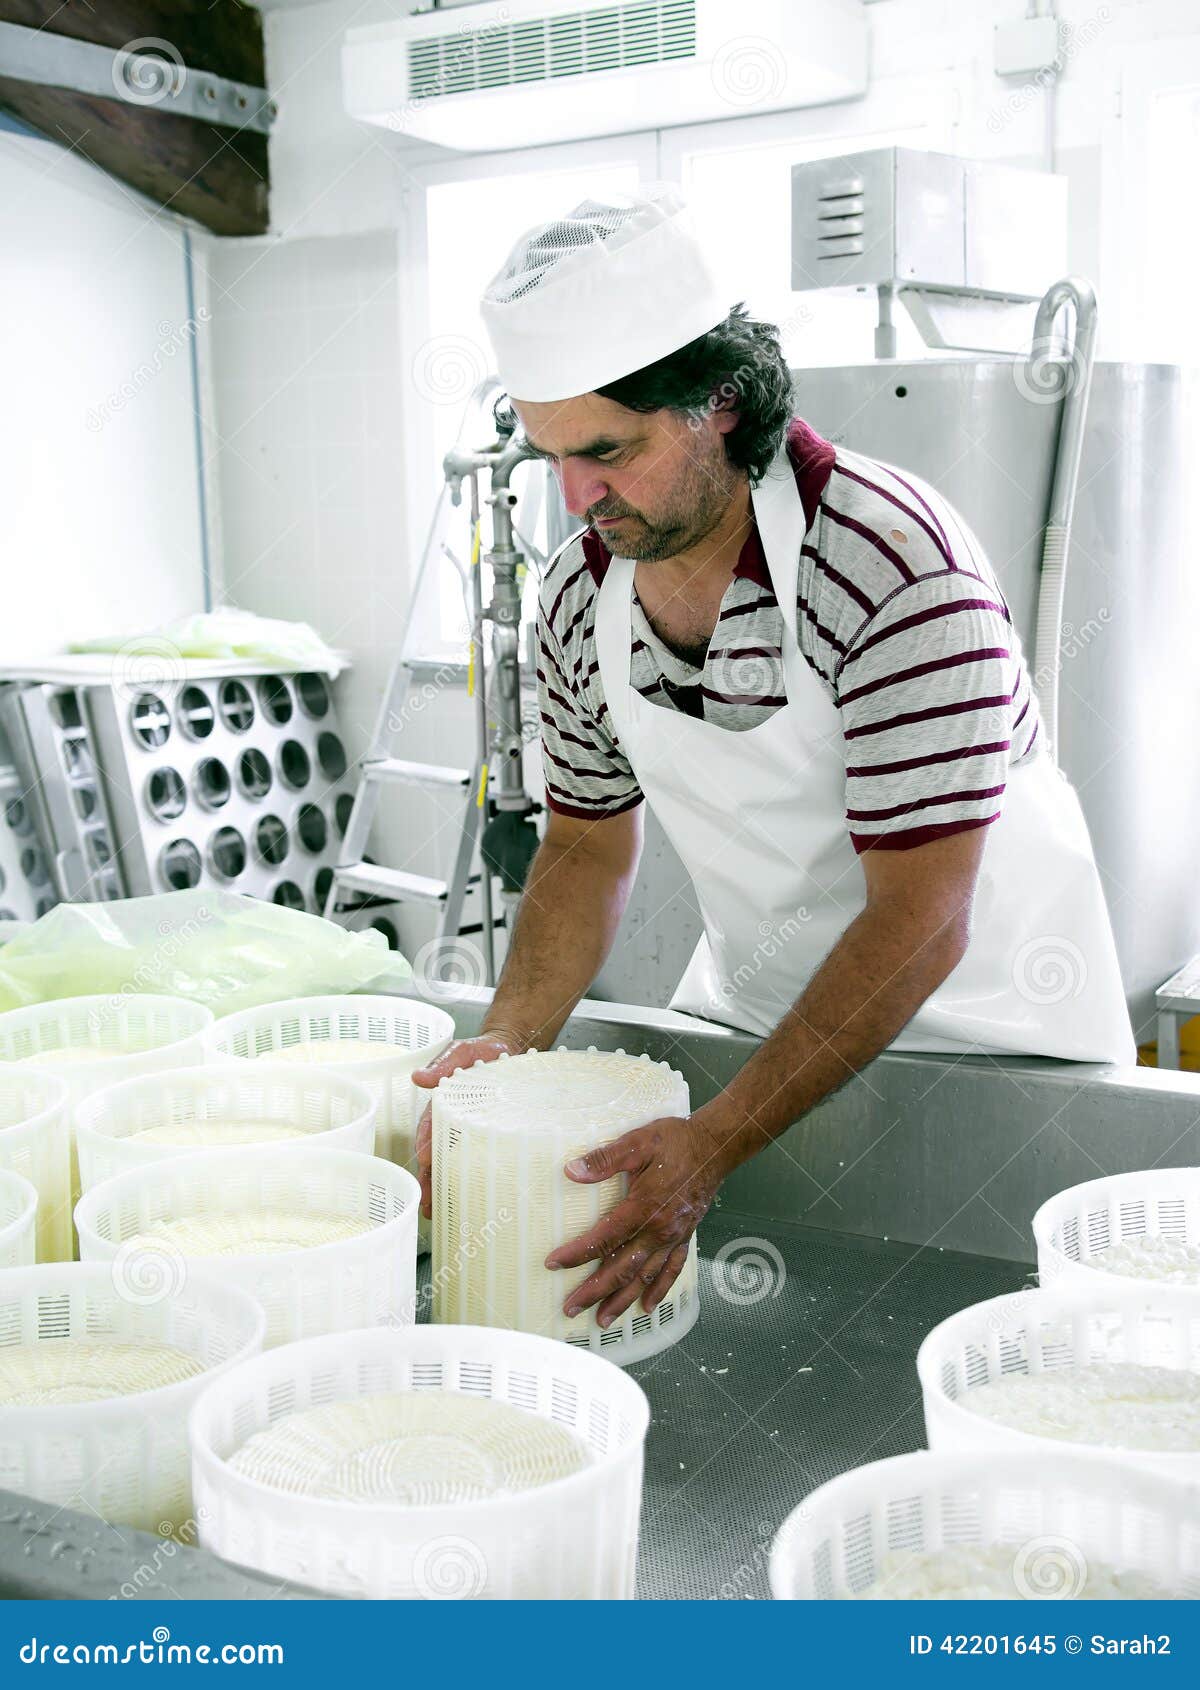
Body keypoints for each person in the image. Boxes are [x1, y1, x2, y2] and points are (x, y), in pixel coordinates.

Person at [413, 185, 1134, 1332]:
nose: (578, 498)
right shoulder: (575, 599)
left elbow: (923, 919)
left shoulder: (893, 565)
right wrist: (504, 1047)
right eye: (552, 455)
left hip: (1002, 1041)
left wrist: (715, 1145)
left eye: (608, 450)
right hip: (768, 1030)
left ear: (721, 402)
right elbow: (587, 847)